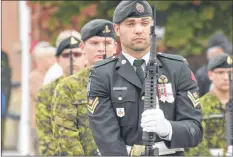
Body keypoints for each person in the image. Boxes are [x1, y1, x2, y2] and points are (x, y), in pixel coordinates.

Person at [87, 1, 203, 156]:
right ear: (117, 29)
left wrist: (167, 128)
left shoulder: (177, 68)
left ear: (152, 26)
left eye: (145, 23)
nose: (139, 30)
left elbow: (194, 131)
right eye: (130, 24)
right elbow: (107, 140)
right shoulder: (102, 74)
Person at [51, 19, 117, 156]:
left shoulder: (128, 82)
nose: (101, 48)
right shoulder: (68, 87)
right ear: (82, 47)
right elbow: (66, 138)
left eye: (106, 43)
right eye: (94, 43)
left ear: (115, 47)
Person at [35, 35, 84, 155]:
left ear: (85, 57)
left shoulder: (96, 86)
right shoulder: (47, 91)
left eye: (77, 54)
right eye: (66, 55)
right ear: (57, 60)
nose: (72, 59)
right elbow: (45, 134)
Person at [185, 54, 233, 156]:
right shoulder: (199, 106)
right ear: (210, 74)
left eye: (230, 73)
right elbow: (194, 144)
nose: (226, 77)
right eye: (220, 72)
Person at [28, 42, 56, 155]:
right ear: (41, 61)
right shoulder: (35, 76)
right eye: (51, 58)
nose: (55, 61)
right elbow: (43, 96)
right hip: (39, 124)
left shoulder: (53, 74)